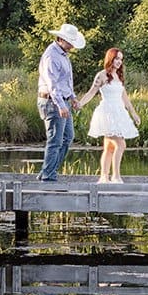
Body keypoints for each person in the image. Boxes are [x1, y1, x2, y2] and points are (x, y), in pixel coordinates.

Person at [77, 47, 140, 182]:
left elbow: (125, 98)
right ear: (110, 58)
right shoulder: (102, 75)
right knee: (121, 145)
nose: (119, 62)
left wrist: (134, 113)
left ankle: (104, 177)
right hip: (107, 112)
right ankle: (116, 176)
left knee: (109, 147)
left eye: (121, 59)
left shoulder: (119, 76)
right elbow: (91, 92)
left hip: (119, 112)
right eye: (117, 58)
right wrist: (80, 103)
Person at [37, 23, 86, 181]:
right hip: (52, 102)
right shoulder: (51, 56)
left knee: (67, 137)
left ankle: (47, 171)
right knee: (55, 140)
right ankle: (48, 177)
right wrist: (60, 105)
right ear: (60, 39)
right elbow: (52, 84)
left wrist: (72, 97)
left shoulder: (63, 54)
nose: (72, 46)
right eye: (70, 42)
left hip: (62, 100)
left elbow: (65, 81)